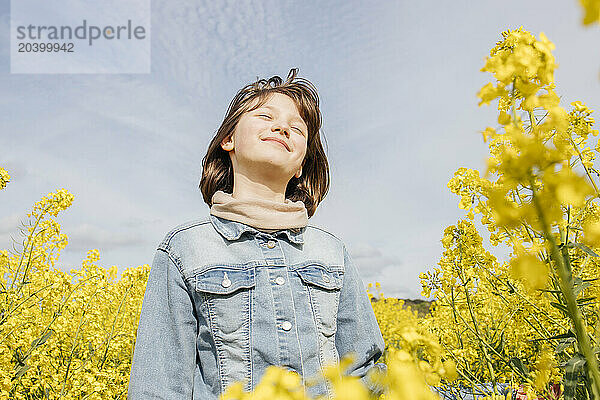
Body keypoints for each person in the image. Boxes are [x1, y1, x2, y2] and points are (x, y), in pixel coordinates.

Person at [127, 68, 386, 400]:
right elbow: (159, 384)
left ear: (302, 164)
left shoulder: (331, 252)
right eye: (265, 116)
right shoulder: (185, 250)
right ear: (229, 139)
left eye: (297, 128)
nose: (282, 127)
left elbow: (365, 368)